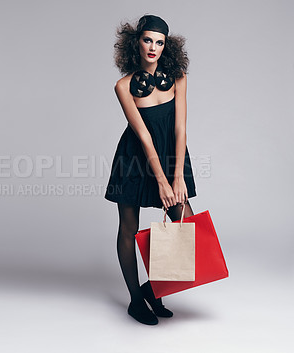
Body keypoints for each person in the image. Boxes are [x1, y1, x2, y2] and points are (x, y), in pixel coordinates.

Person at [104, 14, 197, 325]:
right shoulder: (123, 86)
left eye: (159, 42)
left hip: (171, 158)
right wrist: (160, 180)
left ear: (166, 46)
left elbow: (181, 129)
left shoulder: (179, 77)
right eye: (147, 40)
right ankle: (135, 300)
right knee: (128, 228)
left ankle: (153, 289)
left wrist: (177, 177)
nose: (153, 47)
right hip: (134, 159)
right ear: (136, 42)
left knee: (186, 227)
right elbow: (143, 135)